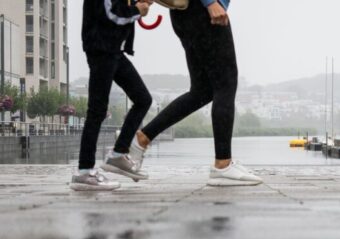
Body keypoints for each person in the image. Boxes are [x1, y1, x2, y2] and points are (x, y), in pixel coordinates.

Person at [130, 0, 262, 186]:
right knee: (225, 84)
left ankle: (142, 139)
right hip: (203, 11)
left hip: (186, 14)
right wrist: (210, 2)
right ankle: (223, 165)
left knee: (202, 91)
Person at [71, 0, 154, 192]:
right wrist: (137, 10)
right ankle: (84, 172)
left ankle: (118, 154)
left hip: (114, 50)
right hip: (101, 49)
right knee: (97, 111)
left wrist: (137, 4)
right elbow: (110, 14)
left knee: (143, 99)